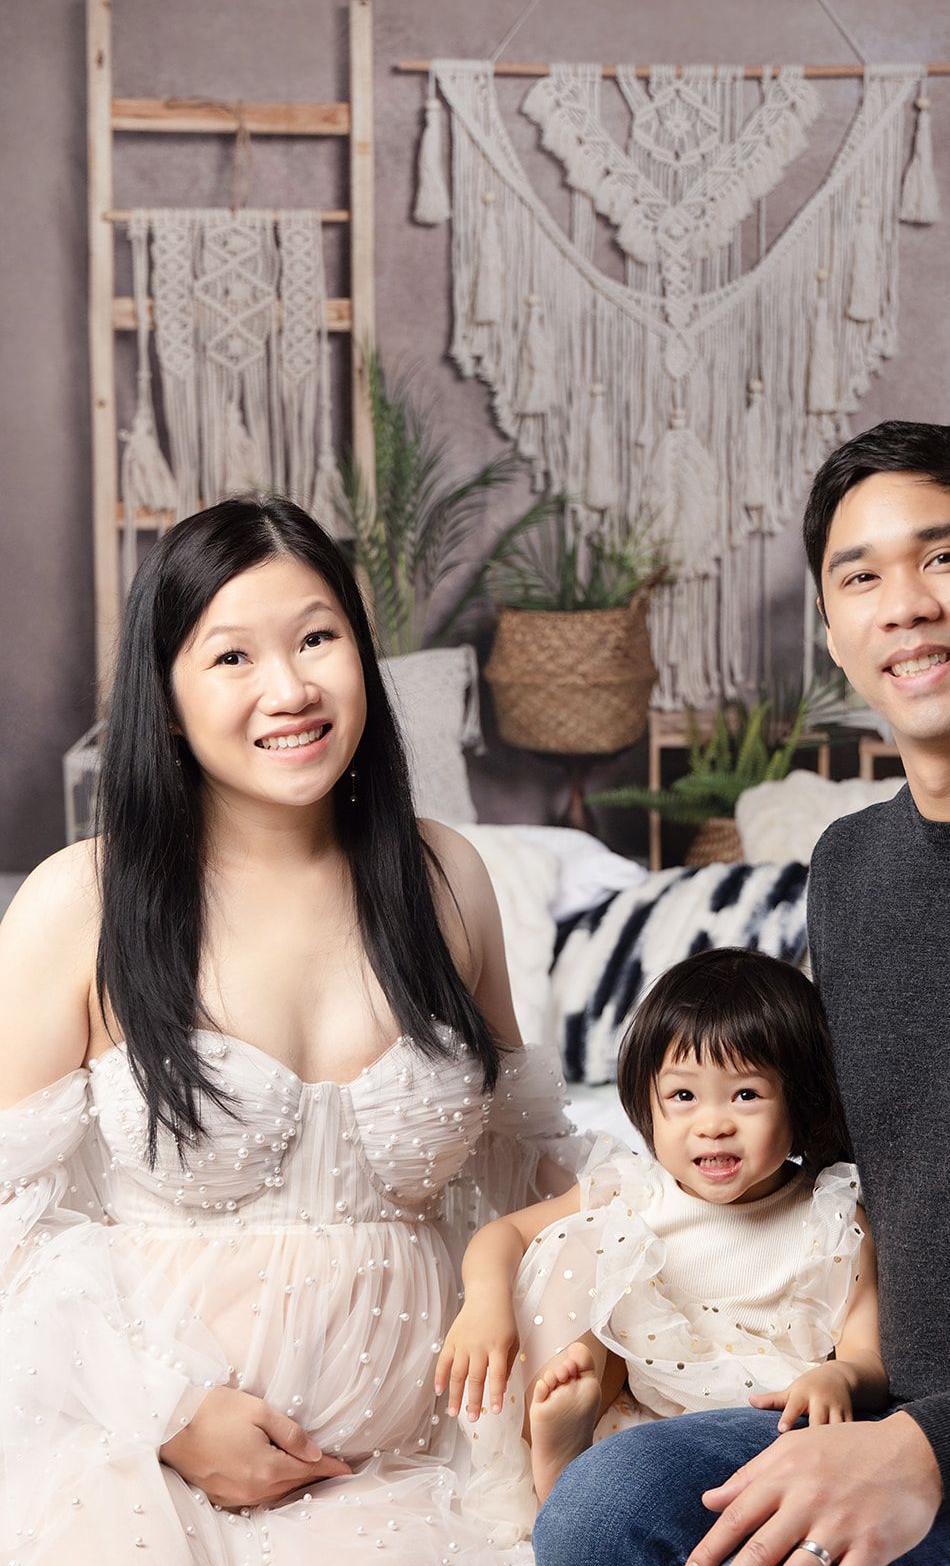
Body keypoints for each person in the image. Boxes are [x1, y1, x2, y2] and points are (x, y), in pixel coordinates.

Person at [533, 421, 950, 1566]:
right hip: (894, 1408)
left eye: (943, 557)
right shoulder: (851, 871)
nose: (902, 604)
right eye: (858, 576)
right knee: (603, 1506)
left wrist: (923, 1456)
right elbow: (828, 1161)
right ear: (832, 629)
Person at [0, 495, 587, 1564]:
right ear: (167, 700)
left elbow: (531, 1171)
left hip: (426, 1471)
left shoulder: (446, 877)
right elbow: (8, 1222)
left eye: (318, 638)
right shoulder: (77, 901)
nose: (291, 688)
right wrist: (168, 1410)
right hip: (145, 1475)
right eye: (232, 656)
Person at [435, 947, 886, 1530]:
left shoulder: (830, 1214)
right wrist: (484, 1306)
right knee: (583, 1239)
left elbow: (866, 1353)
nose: (713, 1122)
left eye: (746, 1095)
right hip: (648, 1422)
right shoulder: (636, 1193)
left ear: (800, 1101)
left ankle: (588, 1495)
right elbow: (503, 1235)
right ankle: (562, 1466)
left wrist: (840, 1376)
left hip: (769, 1428)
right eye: (683, 1096)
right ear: (646, 1105)